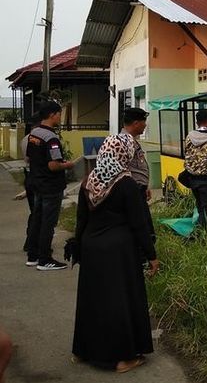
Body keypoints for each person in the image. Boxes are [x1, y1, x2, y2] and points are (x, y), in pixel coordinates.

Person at [72, 134, 159, 373]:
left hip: (91, 247)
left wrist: (78, 248)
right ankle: (122, 359)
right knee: (120, 302)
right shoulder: (126, 183)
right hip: (119, 251)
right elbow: (138, 224)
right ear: (124, 154)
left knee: (92, 300)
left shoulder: (89, 180)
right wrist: (151, 255)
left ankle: (83, 351)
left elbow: (81, 220)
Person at [25, 101, 74, 271]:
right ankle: (45, 259)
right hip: (51, 186)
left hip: (37, 183)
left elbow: (29, 159)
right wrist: (68, 165)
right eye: (59, 114)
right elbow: (54, 165)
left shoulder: (34, 134)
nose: (60, 117)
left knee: (37, 220)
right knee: (48, 223)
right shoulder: (51, 138)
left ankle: (33, 256)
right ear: (52, 114)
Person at [120, 108, 155, 246]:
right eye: (143, 122)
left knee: (144, 225)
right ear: (135, 123)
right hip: (132, 191)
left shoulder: (130, 140)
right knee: (142, 227)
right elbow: (123, 168)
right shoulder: (125, 142)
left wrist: (145, 186)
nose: (145, 125)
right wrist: (136, 187)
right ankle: (142, 260)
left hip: (138, 189)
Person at [20, 113, 40, 252]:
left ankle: (31, 241)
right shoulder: (35, 139)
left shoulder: (25, 139)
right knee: (38, 212)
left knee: (34, 211)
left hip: (29, 175)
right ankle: (32, 243)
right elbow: (30, 159)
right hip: (36, 175)